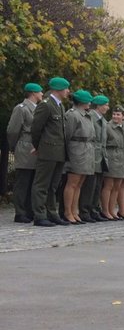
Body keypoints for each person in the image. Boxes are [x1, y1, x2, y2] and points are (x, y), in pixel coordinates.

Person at [30, 77, 72, 227]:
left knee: (53, 185)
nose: (68, 91)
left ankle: (52, 213)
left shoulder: (59, 106)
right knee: (42, 184)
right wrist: (39, 146)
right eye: (66, 88)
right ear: (59, 89)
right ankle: (40, 214)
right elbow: (36, 129)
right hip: (48, 150)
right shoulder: (46, 105)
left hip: (59, 151)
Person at [6, 82, 43, 223]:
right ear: (33, 93)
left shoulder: (38, 108)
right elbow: (13, 130)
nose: (41, 94)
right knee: (23, 180)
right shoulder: (21, 108)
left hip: (34, 146)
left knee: (33, 180)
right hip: (25, 145)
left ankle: (29, 210)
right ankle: (20, 212)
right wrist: (14, 146)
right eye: (40, 91)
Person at [62, 90, 96, 224]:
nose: (89, 103)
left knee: (79, 184)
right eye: (88, 101)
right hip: (76, 149)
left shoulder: (87, 115)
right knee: (72, 183)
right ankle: (67, 211)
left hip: (86, 149)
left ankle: (75, 211)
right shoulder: (73, 115)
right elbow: (67, 135)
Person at [81, 94, 111, 222]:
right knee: (90, 185)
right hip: (92, 154)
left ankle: (94, 209)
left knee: (97, 185)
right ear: (98, 105)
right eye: (105, 105)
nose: (107, 107)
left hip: (101, 155)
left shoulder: (102, 120)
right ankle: (85, 210)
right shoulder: (92, 117)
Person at [102, 107, 124, 219]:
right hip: (112, 157)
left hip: (122, 158)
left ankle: (112, 210)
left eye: (118, 114)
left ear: (123, 116)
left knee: (117, 186)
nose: (115, 117)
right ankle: (105, 210)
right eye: (114, 114)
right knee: (109, 185)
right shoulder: (108, 127)